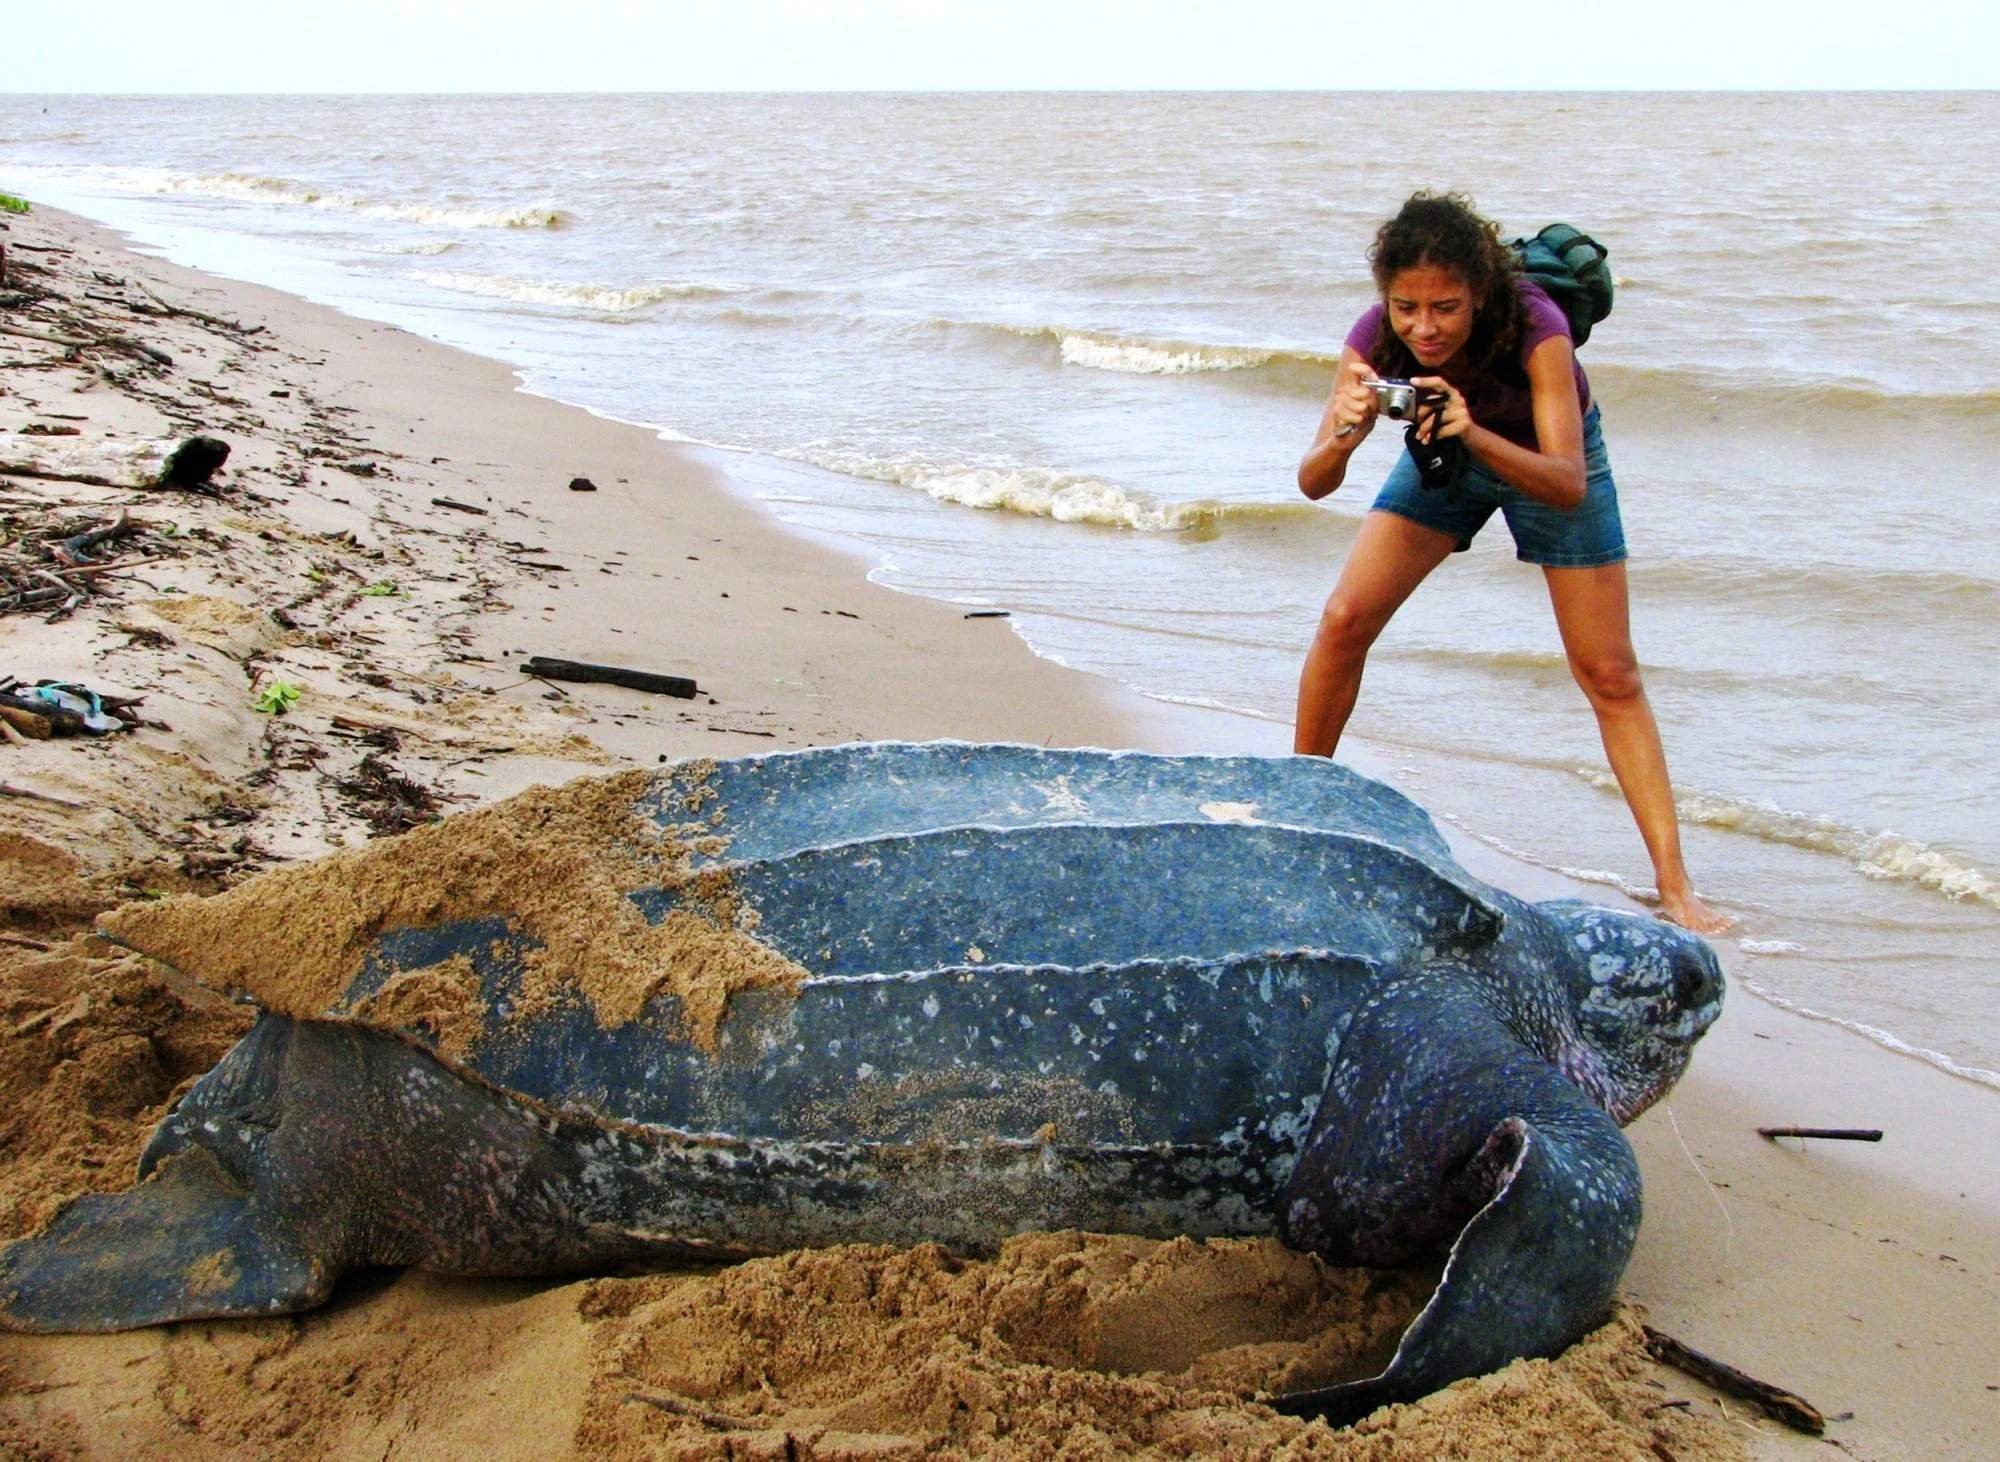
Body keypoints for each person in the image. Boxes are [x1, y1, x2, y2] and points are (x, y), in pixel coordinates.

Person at [1294, 191, 1729, 934]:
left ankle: (1676, 886)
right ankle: (1296, 817)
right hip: (1446, 455)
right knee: (1343, 619)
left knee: (1610, 674)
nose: (1423, 328)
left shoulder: (1538, 326)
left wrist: (1473, 431)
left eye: (1445, 308)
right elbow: (1312, 482)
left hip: (1542, 459)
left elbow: (1566, 481)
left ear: (1481, 294)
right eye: (1406, 308)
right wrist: (1345, 435)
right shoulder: (1374, 336)